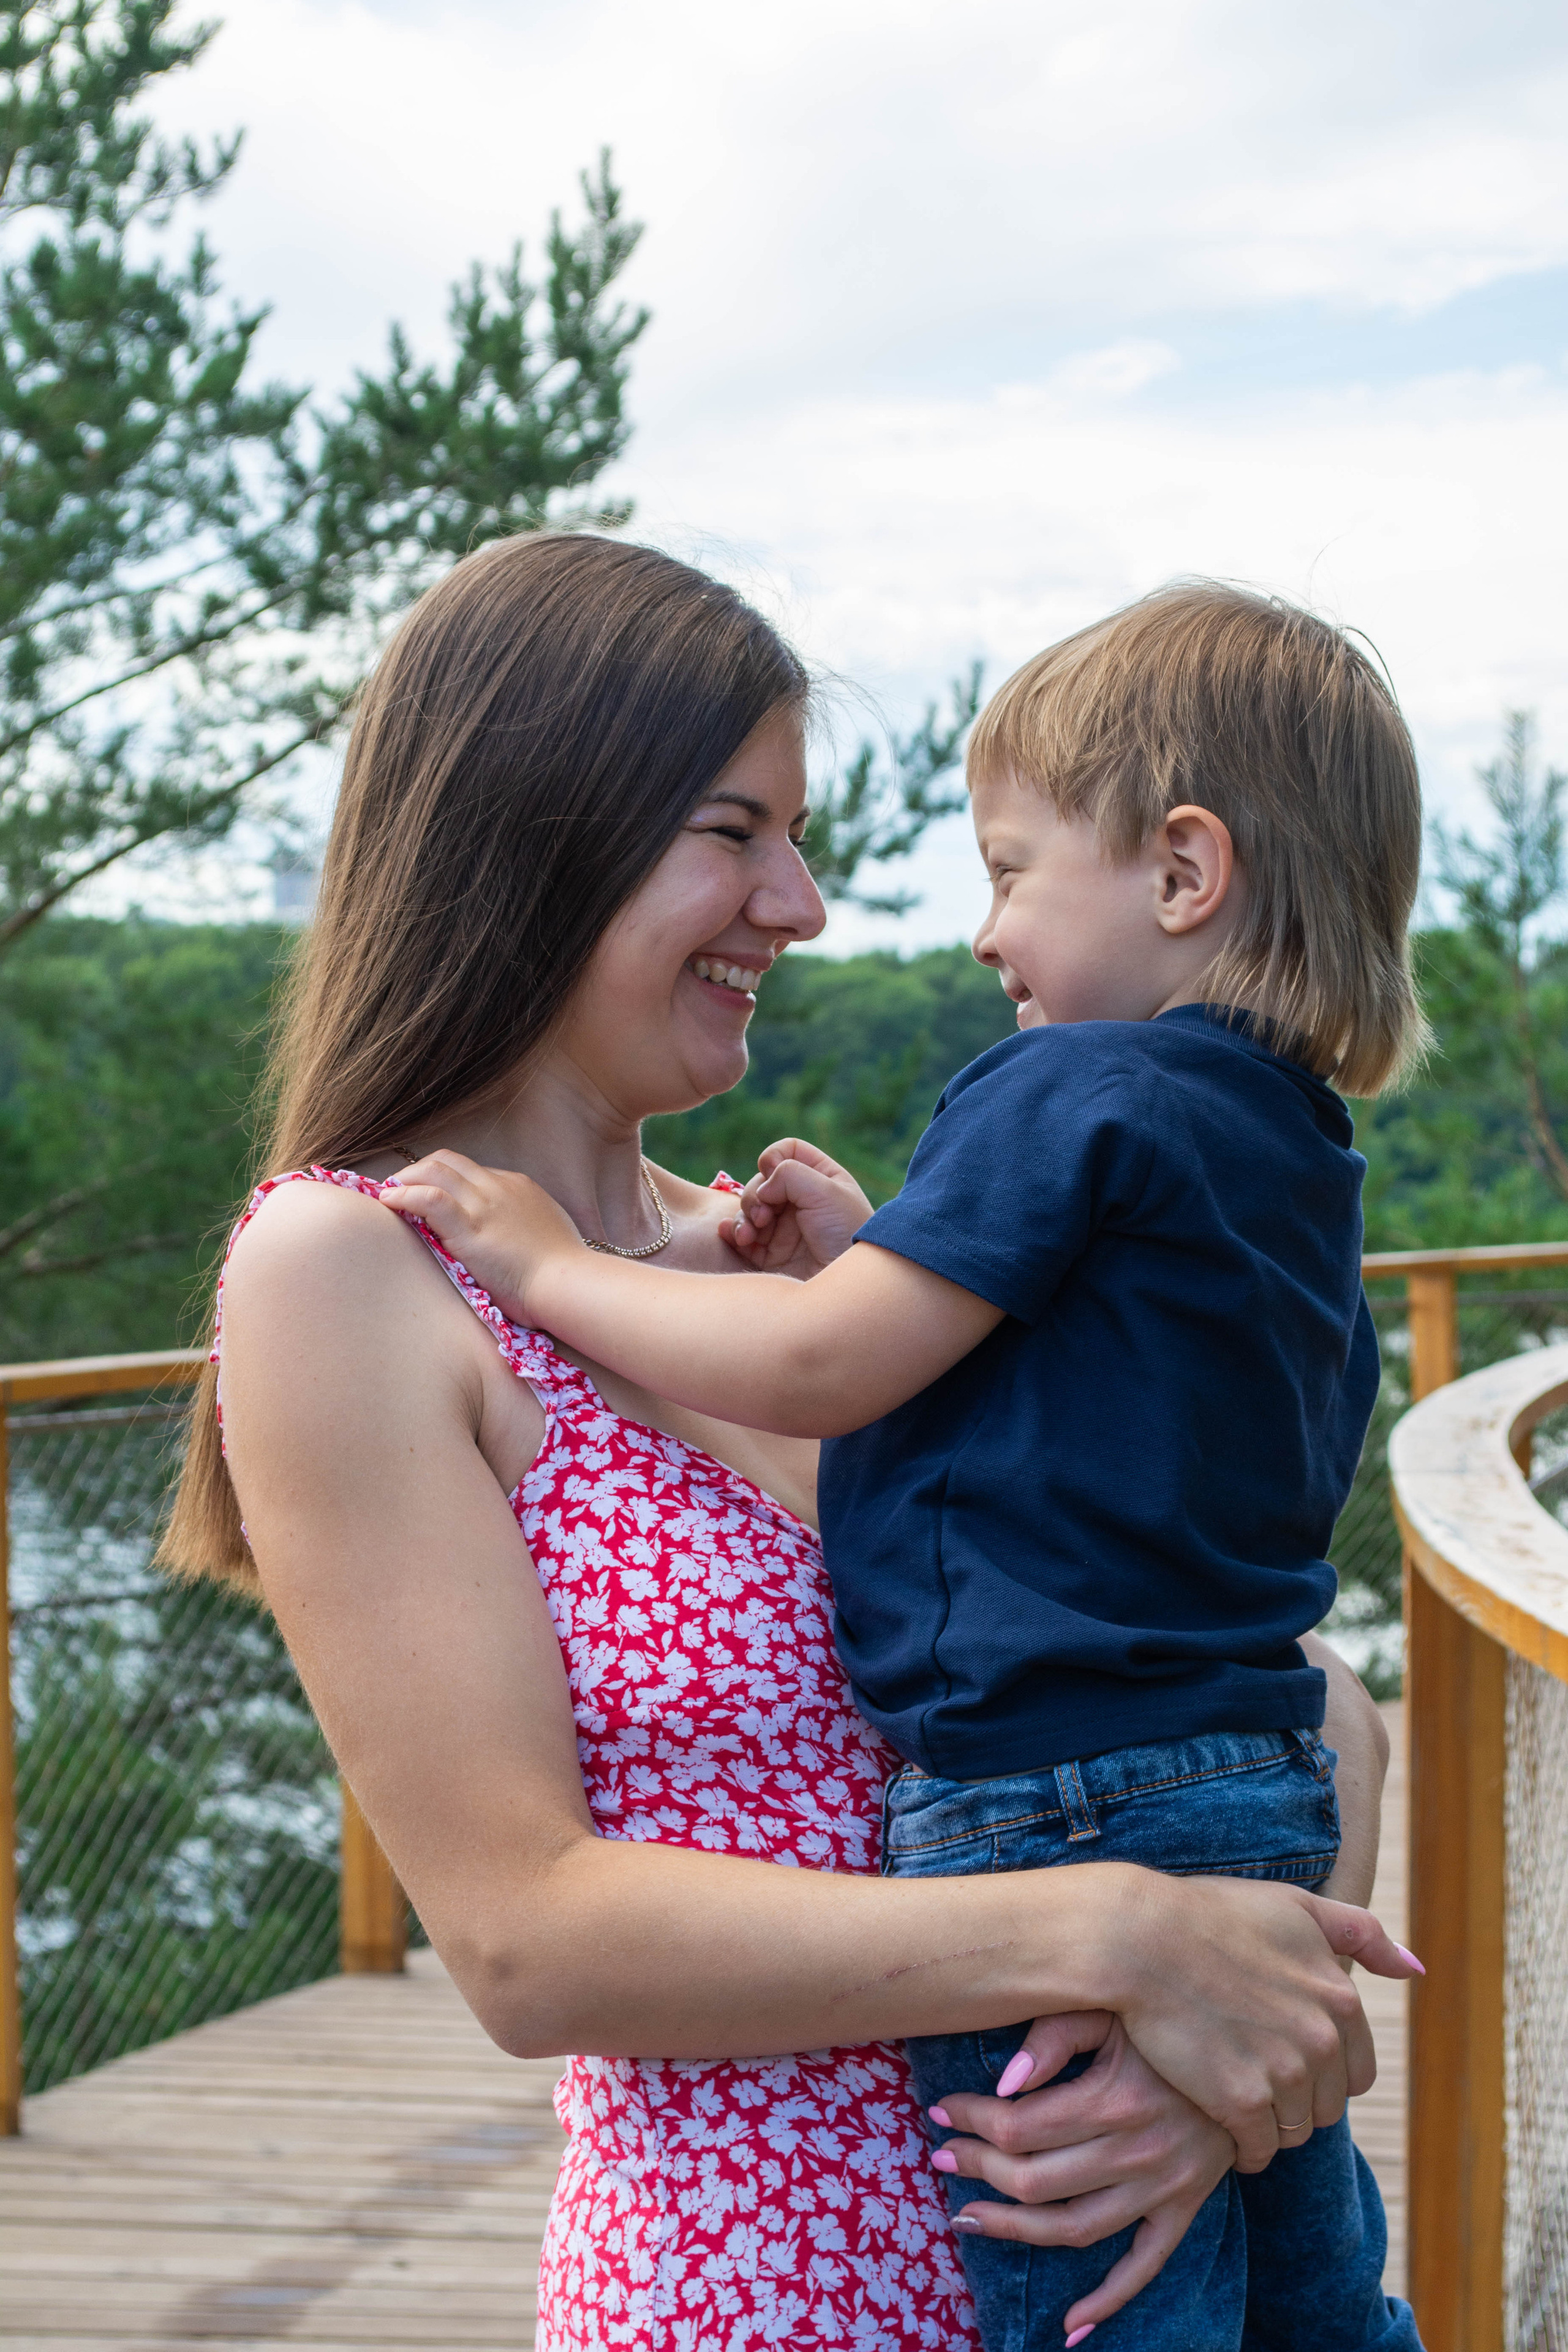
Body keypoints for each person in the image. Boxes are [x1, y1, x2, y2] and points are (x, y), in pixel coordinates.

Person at [163, 539, 1414, 2352]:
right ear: (541, 830)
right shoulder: (353, 1267)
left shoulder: (785, 1274)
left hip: (1136, 2271)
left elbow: (1321, 1701)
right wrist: (1125, 1940)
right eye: (735, 833)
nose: (803, 903)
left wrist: (1207, 2068)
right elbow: (531, 1941)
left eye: (796, 838)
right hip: (770, 2301)